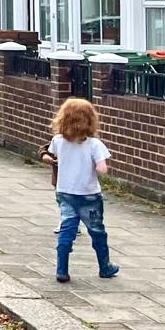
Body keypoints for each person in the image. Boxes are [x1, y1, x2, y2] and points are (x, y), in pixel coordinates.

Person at [41, 98, 120, 283]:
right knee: (97, 231)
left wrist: (48, 158)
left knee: (67, 230)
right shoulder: (94, 144)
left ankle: (62, 269)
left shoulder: (58, 141)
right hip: (89, 196)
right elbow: (102, 168)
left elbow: (51, 155)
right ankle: (105, 267)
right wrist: (99, 168)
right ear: (90, 120)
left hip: (65, 193)